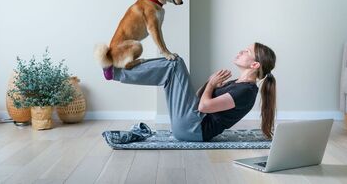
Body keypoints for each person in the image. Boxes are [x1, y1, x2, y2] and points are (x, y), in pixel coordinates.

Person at [102, 42, 276, 142]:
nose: (241, 51)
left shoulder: (246, 91)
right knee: (172, 68)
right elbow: (199, 98)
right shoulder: (238, 83)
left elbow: (205, 106)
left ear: (255, 65)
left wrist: (211, 85)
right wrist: (210, 83)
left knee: (175, 63)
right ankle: (119, 70)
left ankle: (117, 72)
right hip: (191, 124)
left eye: (247, 52)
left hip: (194, 129)